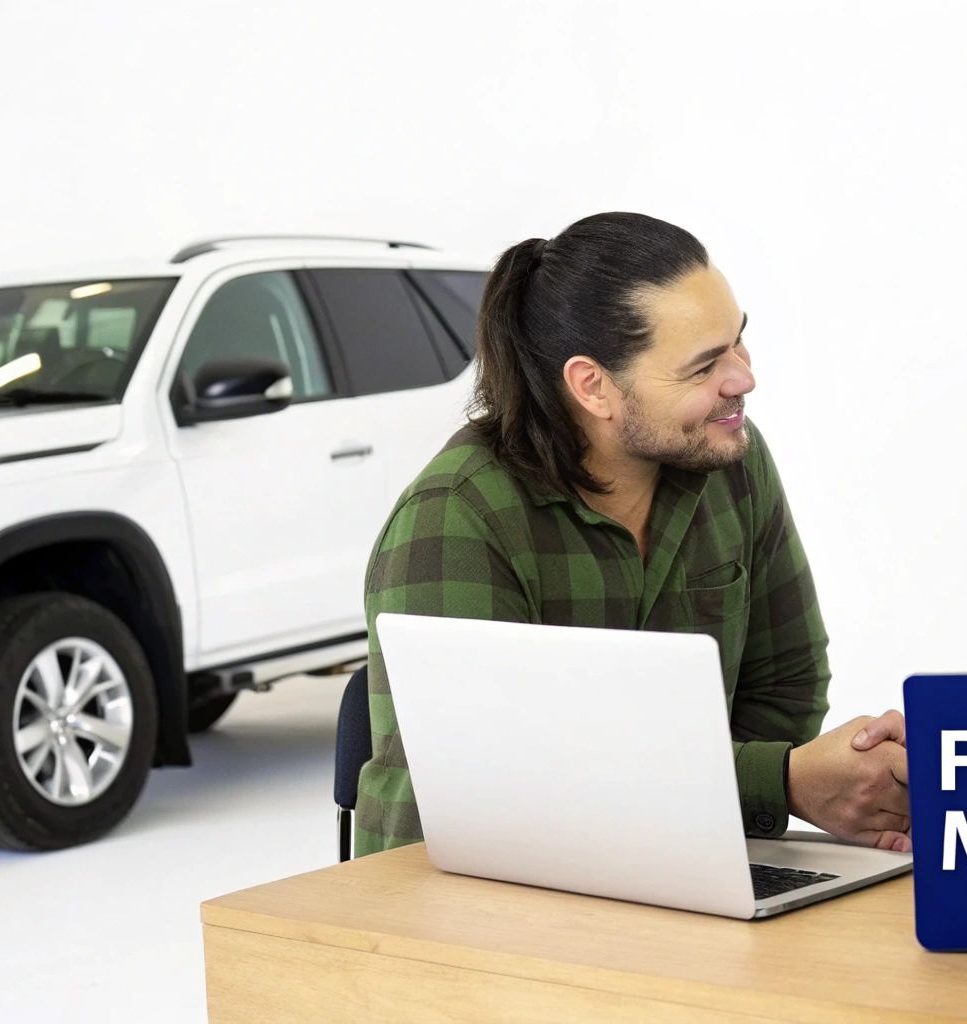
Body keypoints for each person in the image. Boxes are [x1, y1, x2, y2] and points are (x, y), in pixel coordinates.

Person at [353, 212, 909, 860]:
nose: (743, 378)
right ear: (594, 388)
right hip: (470, 906)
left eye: (738, 342)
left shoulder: (728, 460)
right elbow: (492, 794)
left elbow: (785, 683)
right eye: (704, 366)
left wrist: (726, 828)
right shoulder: (457, 521)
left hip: (682, 866)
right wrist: (780, 781)